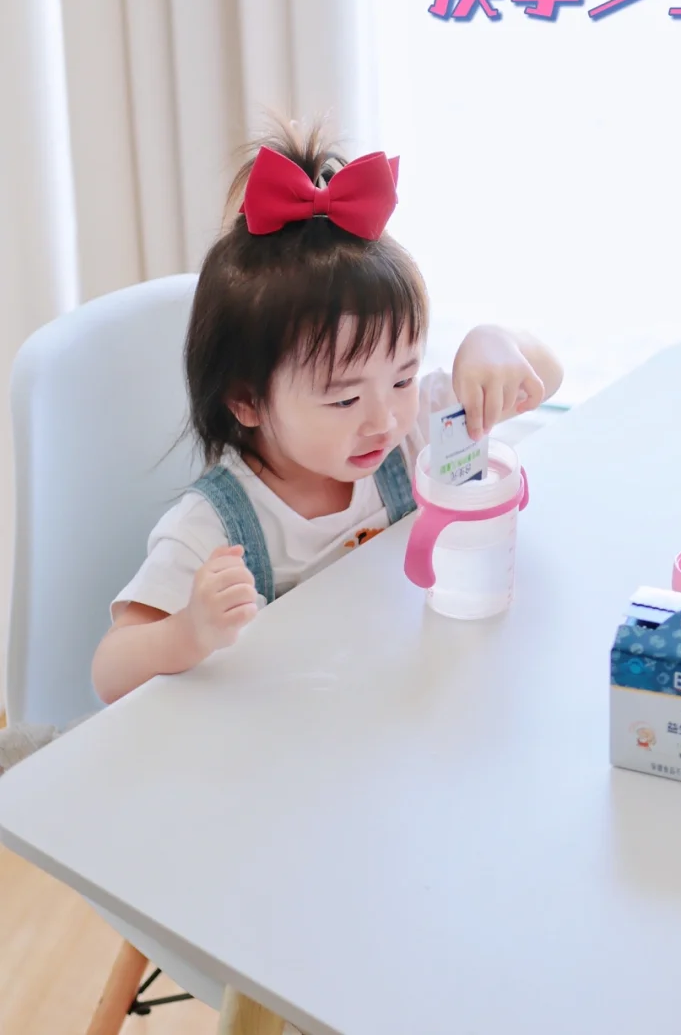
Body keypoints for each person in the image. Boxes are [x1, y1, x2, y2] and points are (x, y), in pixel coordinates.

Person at [90, 122, 562, 706]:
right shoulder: (214, 528)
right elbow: (109, 672)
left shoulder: (416, 432)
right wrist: (188, 632)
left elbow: (545, 375)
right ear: (246, 400)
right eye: (344, 399)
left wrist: (495, 343)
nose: (383, 419)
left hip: (395, 702)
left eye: (403, 377)